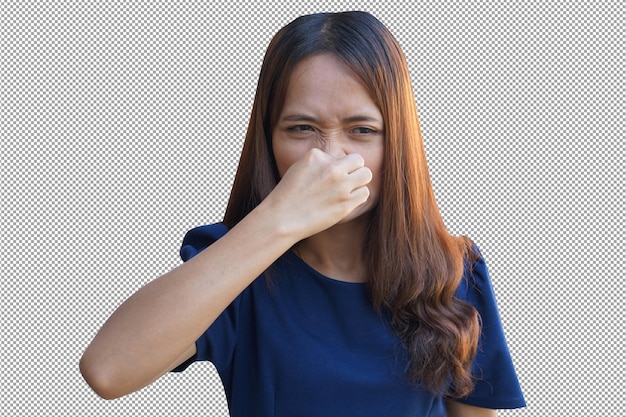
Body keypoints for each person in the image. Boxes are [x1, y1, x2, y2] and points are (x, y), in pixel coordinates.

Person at [80, 11, 525, 416]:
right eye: (301, 129)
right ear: (268, 140)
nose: (328, 158)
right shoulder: (235, 267)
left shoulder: (455, 271)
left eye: (362, 130)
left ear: (397, 145)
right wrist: (279, 220)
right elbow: (108, 370)